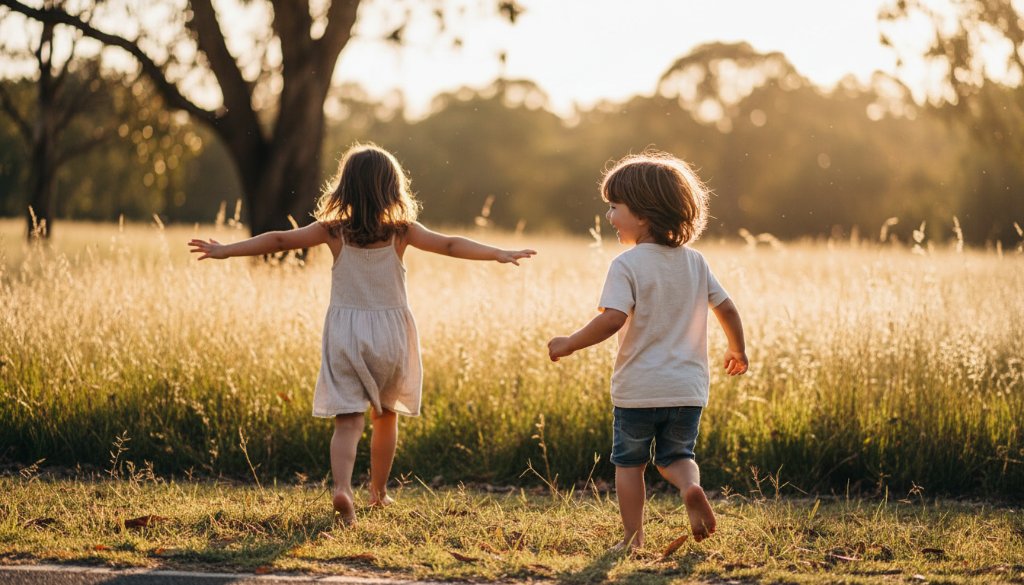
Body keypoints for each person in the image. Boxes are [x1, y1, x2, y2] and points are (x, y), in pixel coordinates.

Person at [189, 143, 536, 525]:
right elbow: (451, 245)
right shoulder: (402, 234)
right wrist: (498, 253)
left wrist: (227, 251)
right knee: (386, 417)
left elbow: (279, 241)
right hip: (390, 335)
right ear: (392, 188)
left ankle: (342, 487)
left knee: (348, 421)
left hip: (345, 335)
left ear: (345, 189)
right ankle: (379, 493)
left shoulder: (333, 232)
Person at [547, 151, 747, 551]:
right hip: (688, 388)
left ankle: (633, 538)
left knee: (629, 463)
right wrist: (737, 349)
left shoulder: (627, 264)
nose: (608, 216)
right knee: (676, 455)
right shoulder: (695, 262)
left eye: (614, 206)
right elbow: (726, 307)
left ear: (643, 215)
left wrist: (569, 342)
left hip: (639, 389)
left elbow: (612, 319)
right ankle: (690, 487)